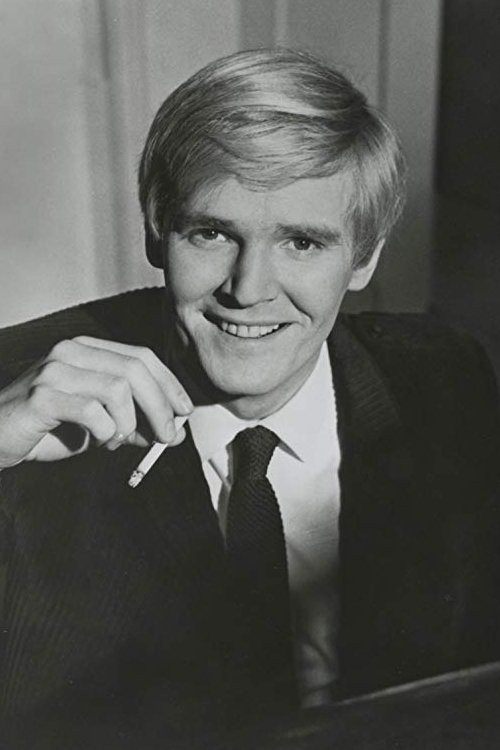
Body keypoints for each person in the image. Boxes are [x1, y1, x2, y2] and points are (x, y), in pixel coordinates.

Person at [0, 47, 499, 748]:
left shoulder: (443, 378)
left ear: (364, 258)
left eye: (302, 242)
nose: (248, 289)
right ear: (156, 230)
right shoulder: (24, 394)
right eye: (211, 233)